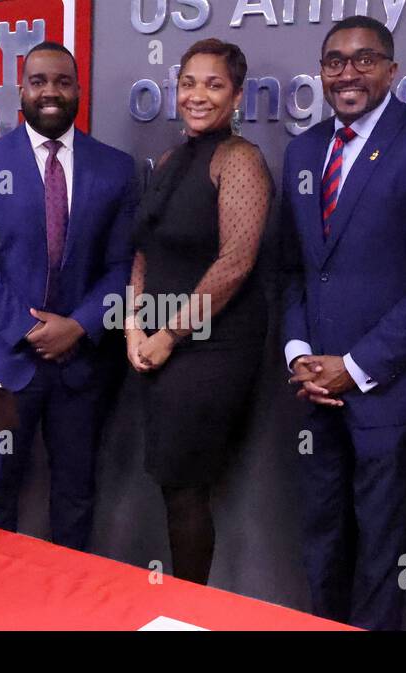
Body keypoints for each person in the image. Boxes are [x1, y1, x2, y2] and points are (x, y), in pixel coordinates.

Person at [279, 16, 406, 630]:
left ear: (392, 70)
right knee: (321, 544)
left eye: (364, 60)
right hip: (314, 390)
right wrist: (298, 353)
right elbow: (292, 268)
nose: (348, 72)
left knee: (382, 558)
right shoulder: (304, 150)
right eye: (335, 61)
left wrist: (356, 366)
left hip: (387, 392)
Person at [0, 42, 137, 552]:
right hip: (1, 360)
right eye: (39, 81)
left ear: (78, 89)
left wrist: (77, 326)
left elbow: (124, 265)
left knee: (76, 496)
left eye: (62, 81)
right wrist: (32, 331)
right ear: (21, 90)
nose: (50, 91)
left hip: (81, 363)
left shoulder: (116, 169)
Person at [126, 39, 270, 585]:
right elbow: (145, 248)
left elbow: (236, 262)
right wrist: (134, 325)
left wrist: (168, 335)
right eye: (189, 83)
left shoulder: (240, 160)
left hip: (211, 348)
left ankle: (187, 608)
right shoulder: (168, 160)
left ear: (236, 96)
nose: (198, 95)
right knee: (172, 482)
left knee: (186, 485)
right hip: (158, 340)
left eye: (214, 85)